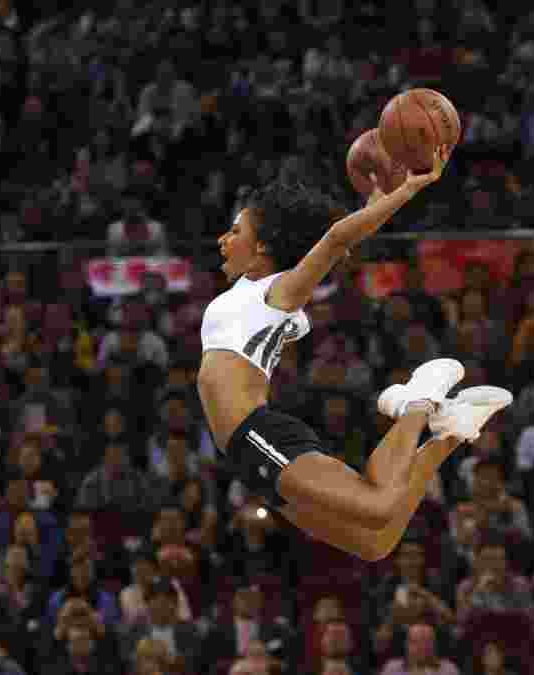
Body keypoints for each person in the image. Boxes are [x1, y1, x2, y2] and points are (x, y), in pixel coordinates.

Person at [197, 147, 513, 561]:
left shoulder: (273, 293)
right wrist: (371, 205)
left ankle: (418, 399)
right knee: (374, 544)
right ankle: (449, 433)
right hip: (244, 453)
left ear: (263, 247)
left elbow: (334, 240)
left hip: (257, 434)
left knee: (378, 507)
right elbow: (330, 242)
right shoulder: (250, 297)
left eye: (236, 231)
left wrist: (401, 193)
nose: (223, 239)